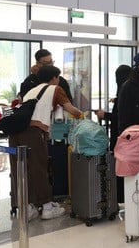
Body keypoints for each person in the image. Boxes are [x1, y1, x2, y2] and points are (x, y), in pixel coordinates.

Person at [9, 65, 83, 220]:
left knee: (21, 169)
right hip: (33, 132)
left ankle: (28, 207)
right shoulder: (55, 89)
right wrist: (82, 115)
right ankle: (47, 207)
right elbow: (70, 109)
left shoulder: (31, 91)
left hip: (15, 133)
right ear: (55, 78)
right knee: (39, 167)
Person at [94, 64, 131, 203]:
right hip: (128, 137)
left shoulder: (123, 90)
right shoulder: (129, 89)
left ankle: (119, 197)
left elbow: (118, 116)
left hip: (119, 136)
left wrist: (105, 115)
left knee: (119, 167)